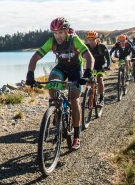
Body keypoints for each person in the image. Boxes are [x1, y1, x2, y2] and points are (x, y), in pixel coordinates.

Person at [25, 17, 93, 150]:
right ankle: (56, 109)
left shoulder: (74, 40)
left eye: (60, 33)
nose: (58, 36)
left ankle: (76, 136)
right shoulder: (52, 42)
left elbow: (88, 55)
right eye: (55, 33)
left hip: (75, 70)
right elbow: (36, 57)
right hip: (61, 68)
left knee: (74, 99)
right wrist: (30, 74)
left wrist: (88, 72)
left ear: (67, 31)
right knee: (52, 83)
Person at [84, 31, 110, 109]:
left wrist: (107, 66)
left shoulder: (102, 47)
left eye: (93, 40)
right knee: (89, 80)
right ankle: (89, 97)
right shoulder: (86, 47)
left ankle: (102, 98)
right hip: (92, 66)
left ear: (97, 39)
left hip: (101, 65)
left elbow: (108, 58)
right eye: (89, 40)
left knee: (99, 78)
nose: (91, 42)